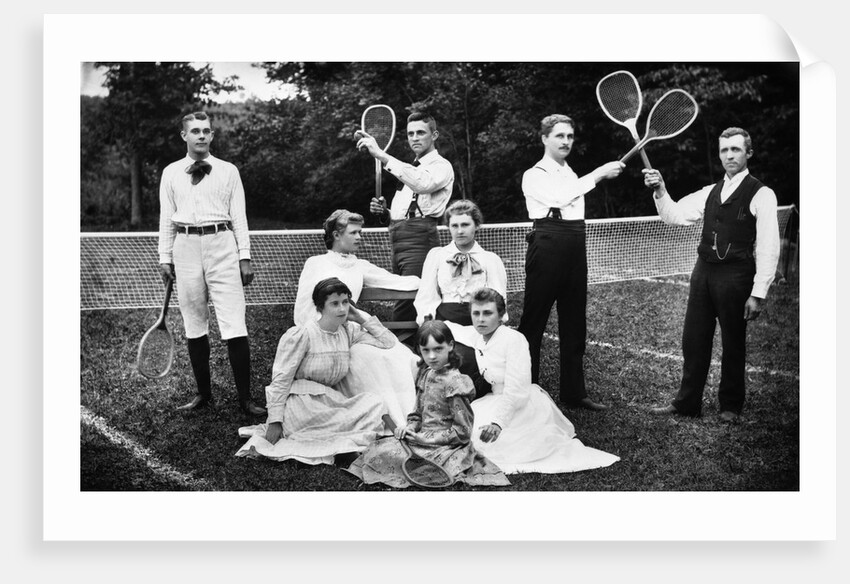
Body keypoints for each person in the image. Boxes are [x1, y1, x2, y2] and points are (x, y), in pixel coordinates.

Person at [643, 127, 780, 423]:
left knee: (733, 342)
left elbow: (769, 245)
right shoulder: (710, 191)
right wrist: (660, 189)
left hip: (736, 275)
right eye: (724, 150)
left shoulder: (762, 194)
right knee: (694, 339)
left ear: (748, 153)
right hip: (703, 273)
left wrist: (759, 293)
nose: (729, 155)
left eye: (736, 149)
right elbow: (675, 215)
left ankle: (730, 406)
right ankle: (687, 402)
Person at [157, 111, 265, 416]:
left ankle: (245, 398)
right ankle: (204, 395)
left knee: (234, 321)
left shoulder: (229, 171)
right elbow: (166, 217)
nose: (201, 135)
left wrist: (244, 256)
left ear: (212, 136)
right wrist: (165, 257)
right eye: (195, 131)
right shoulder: (171, 173)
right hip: (185, 246)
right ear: (184, 136)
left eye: (206, 131)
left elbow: (240, 217)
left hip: (222, 245)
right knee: (194, 322)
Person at [446, 288, 620, 474]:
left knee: (487, 445)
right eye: (476, 313)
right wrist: (436, 322)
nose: (481, 319)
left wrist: (497, 423)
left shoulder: (514, 340)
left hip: (520, 404)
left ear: (501, 316)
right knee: (461, 435)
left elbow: (517, 388)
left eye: (488, 313)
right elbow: (460, 331)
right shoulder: (480, 337)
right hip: (494, 397)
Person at [518, 114, 624, 411]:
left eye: (569, 136)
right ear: (544, 139)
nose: (566, 141)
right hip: (547, 244)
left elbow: (572, 200)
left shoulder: (570, 172)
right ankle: (526, 391)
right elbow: (560, 198)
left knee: (574, 322)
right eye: (559, 136)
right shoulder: (534, 173)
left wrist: (593, 176)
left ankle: (574, 393)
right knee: (533, 323)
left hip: (576, 246)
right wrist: (599, 173)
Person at [235, 278, 391, 465]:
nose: (342, 309)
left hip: (330, 400)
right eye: (334, 304)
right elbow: (281, 379)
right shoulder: (302, 334)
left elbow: (388, 341)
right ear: (320, 307)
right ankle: (340, 445)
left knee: (375, 404)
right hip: (302, 404)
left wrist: (359, 318)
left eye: (345, 302)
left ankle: (341, 443)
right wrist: (275, 420)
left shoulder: (348, 331)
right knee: (324, 423)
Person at [345, 320, 510, 488]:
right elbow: (417, 413)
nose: (432, 356)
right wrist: (409, 428)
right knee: (381, 450)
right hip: (420, 439)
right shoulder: (426, 375)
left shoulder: (456, 383)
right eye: (426, 350)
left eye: (438, 349)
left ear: (450, 345)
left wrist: (425, 439)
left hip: (447, 446)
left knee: (427, 464)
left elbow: (463, 432)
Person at [293, 209, 420, 425]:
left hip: (353, 331)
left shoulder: (359, 266)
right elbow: (302, 310)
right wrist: (321, 333)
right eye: (354, 233)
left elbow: (398, 282)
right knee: (372, 362)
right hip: (323, 336)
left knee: (399, 355)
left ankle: (408, 418)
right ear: (336, 235)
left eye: (360, 232)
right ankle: (379, 420)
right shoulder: (315, 263)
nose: (360, 237)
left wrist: (435, 279)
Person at [355, 111, 454, 324]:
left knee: (412, 302)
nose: (415, 138)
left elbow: (422, 184)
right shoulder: (409, 168)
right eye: (410, 134)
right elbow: (401, 214)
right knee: (403, 295)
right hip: (398, 241)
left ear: (434, 135)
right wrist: (385, 213)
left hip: (420, 241)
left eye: (421, 132)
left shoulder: (441, 166)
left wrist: (381, 155)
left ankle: (409, 350)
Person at [414, 199, 508, 326]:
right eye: (454, 226)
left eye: (465, 225)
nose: (459, 231)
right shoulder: (437, 256)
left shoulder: (490, 259)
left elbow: (499, 298)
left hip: (479, 321)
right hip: (445, 321)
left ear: (476, 225)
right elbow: (427, 295)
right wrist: (429, 323)